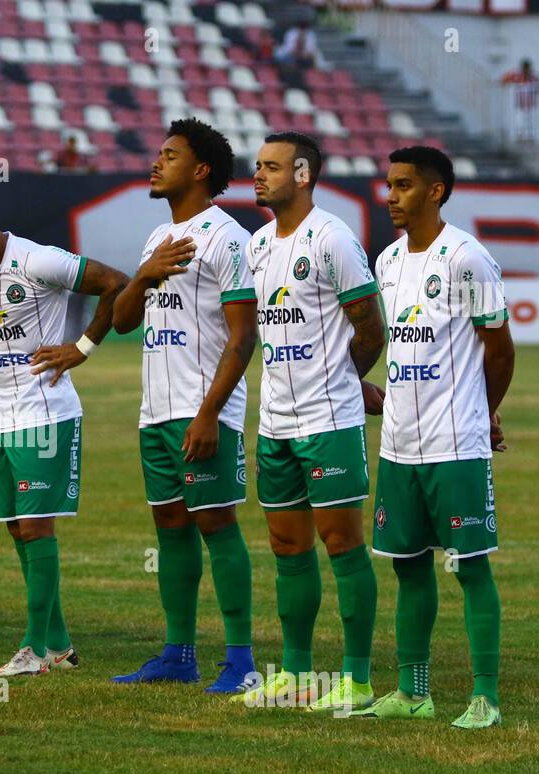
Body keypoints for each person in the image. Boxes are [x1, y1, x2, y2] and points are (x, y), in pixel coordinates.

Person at [0, 186, 128, 677]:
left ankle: (33, 648)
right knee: (18, 529)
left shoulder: (38, 260)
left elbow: (116, 283)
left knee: (38, 528)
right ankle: (58, 646)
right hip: (2, 419)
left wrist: (80, 347)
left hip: (46, 415)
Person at [94, 119, 260, 691]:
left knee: (216, 523)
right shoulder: (154, 241)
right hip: (155, 412)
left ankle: (241, 661)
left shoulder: (227, 237)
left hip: (202, 411)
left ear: (200, 170)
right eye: (158, 153)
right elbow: (121, 321)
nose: (156, 162)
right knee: (170, 526)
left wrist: (211, 412)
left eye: (170, 155)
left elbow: (243, 337)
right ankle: (178, 655)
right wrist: (142, 276)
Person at [356, 146, 515, 730]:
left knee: (470, 566)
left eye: (402, 186)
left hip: (455, 444)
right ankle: (413, 690)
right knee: (408, 566)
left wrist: (484, 412)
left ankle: (485, 698)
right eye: (389, 185)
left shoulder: (466, 259)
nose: (391, 196)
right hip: (399, 444)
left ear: (435, 192)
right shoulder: (389, 260)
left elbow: (498, 350)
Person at [239, 132, 386, 712]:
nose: (259, 176)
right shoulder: (256, 245)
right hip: (274, 421)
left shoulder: (333, 239)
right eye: (257, 167)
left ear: (303, 174)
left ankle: (357, 679)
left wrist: (344, 378)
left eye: (271, 167)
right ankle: (295, 674)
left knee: (343, 543)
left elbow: (369, 326)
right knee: (285, 546)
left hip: (328, 418)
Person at [500, 59, 539, 142]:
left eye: (527, 68)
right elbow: (505, 78)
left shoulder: (533, 77)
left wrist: (536, 97)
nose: (526, 70)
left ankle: (530, 137)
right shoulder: (517, 75)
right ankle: (520, 137)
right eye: (525, 68)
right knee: (519, 122)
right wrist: (503, 83)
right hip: (520, 104)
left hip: (530, 104)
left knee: (531, 122)